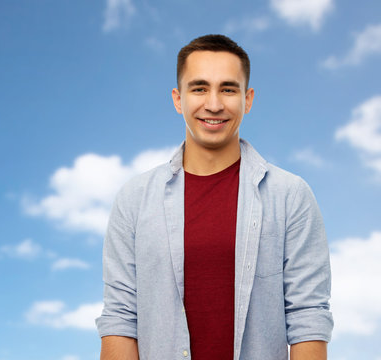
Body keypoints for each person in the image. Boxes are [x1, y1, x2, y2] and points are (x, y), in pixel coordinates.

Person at [96, 34, 333, 360]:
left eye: (228, 89)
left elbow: (308, 317)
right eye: (199, 88)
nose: (214, 104)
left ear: (248, 99)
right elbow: (120, 318)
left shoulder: (290, 197)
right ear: (178, 99)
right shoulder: (134, 200)